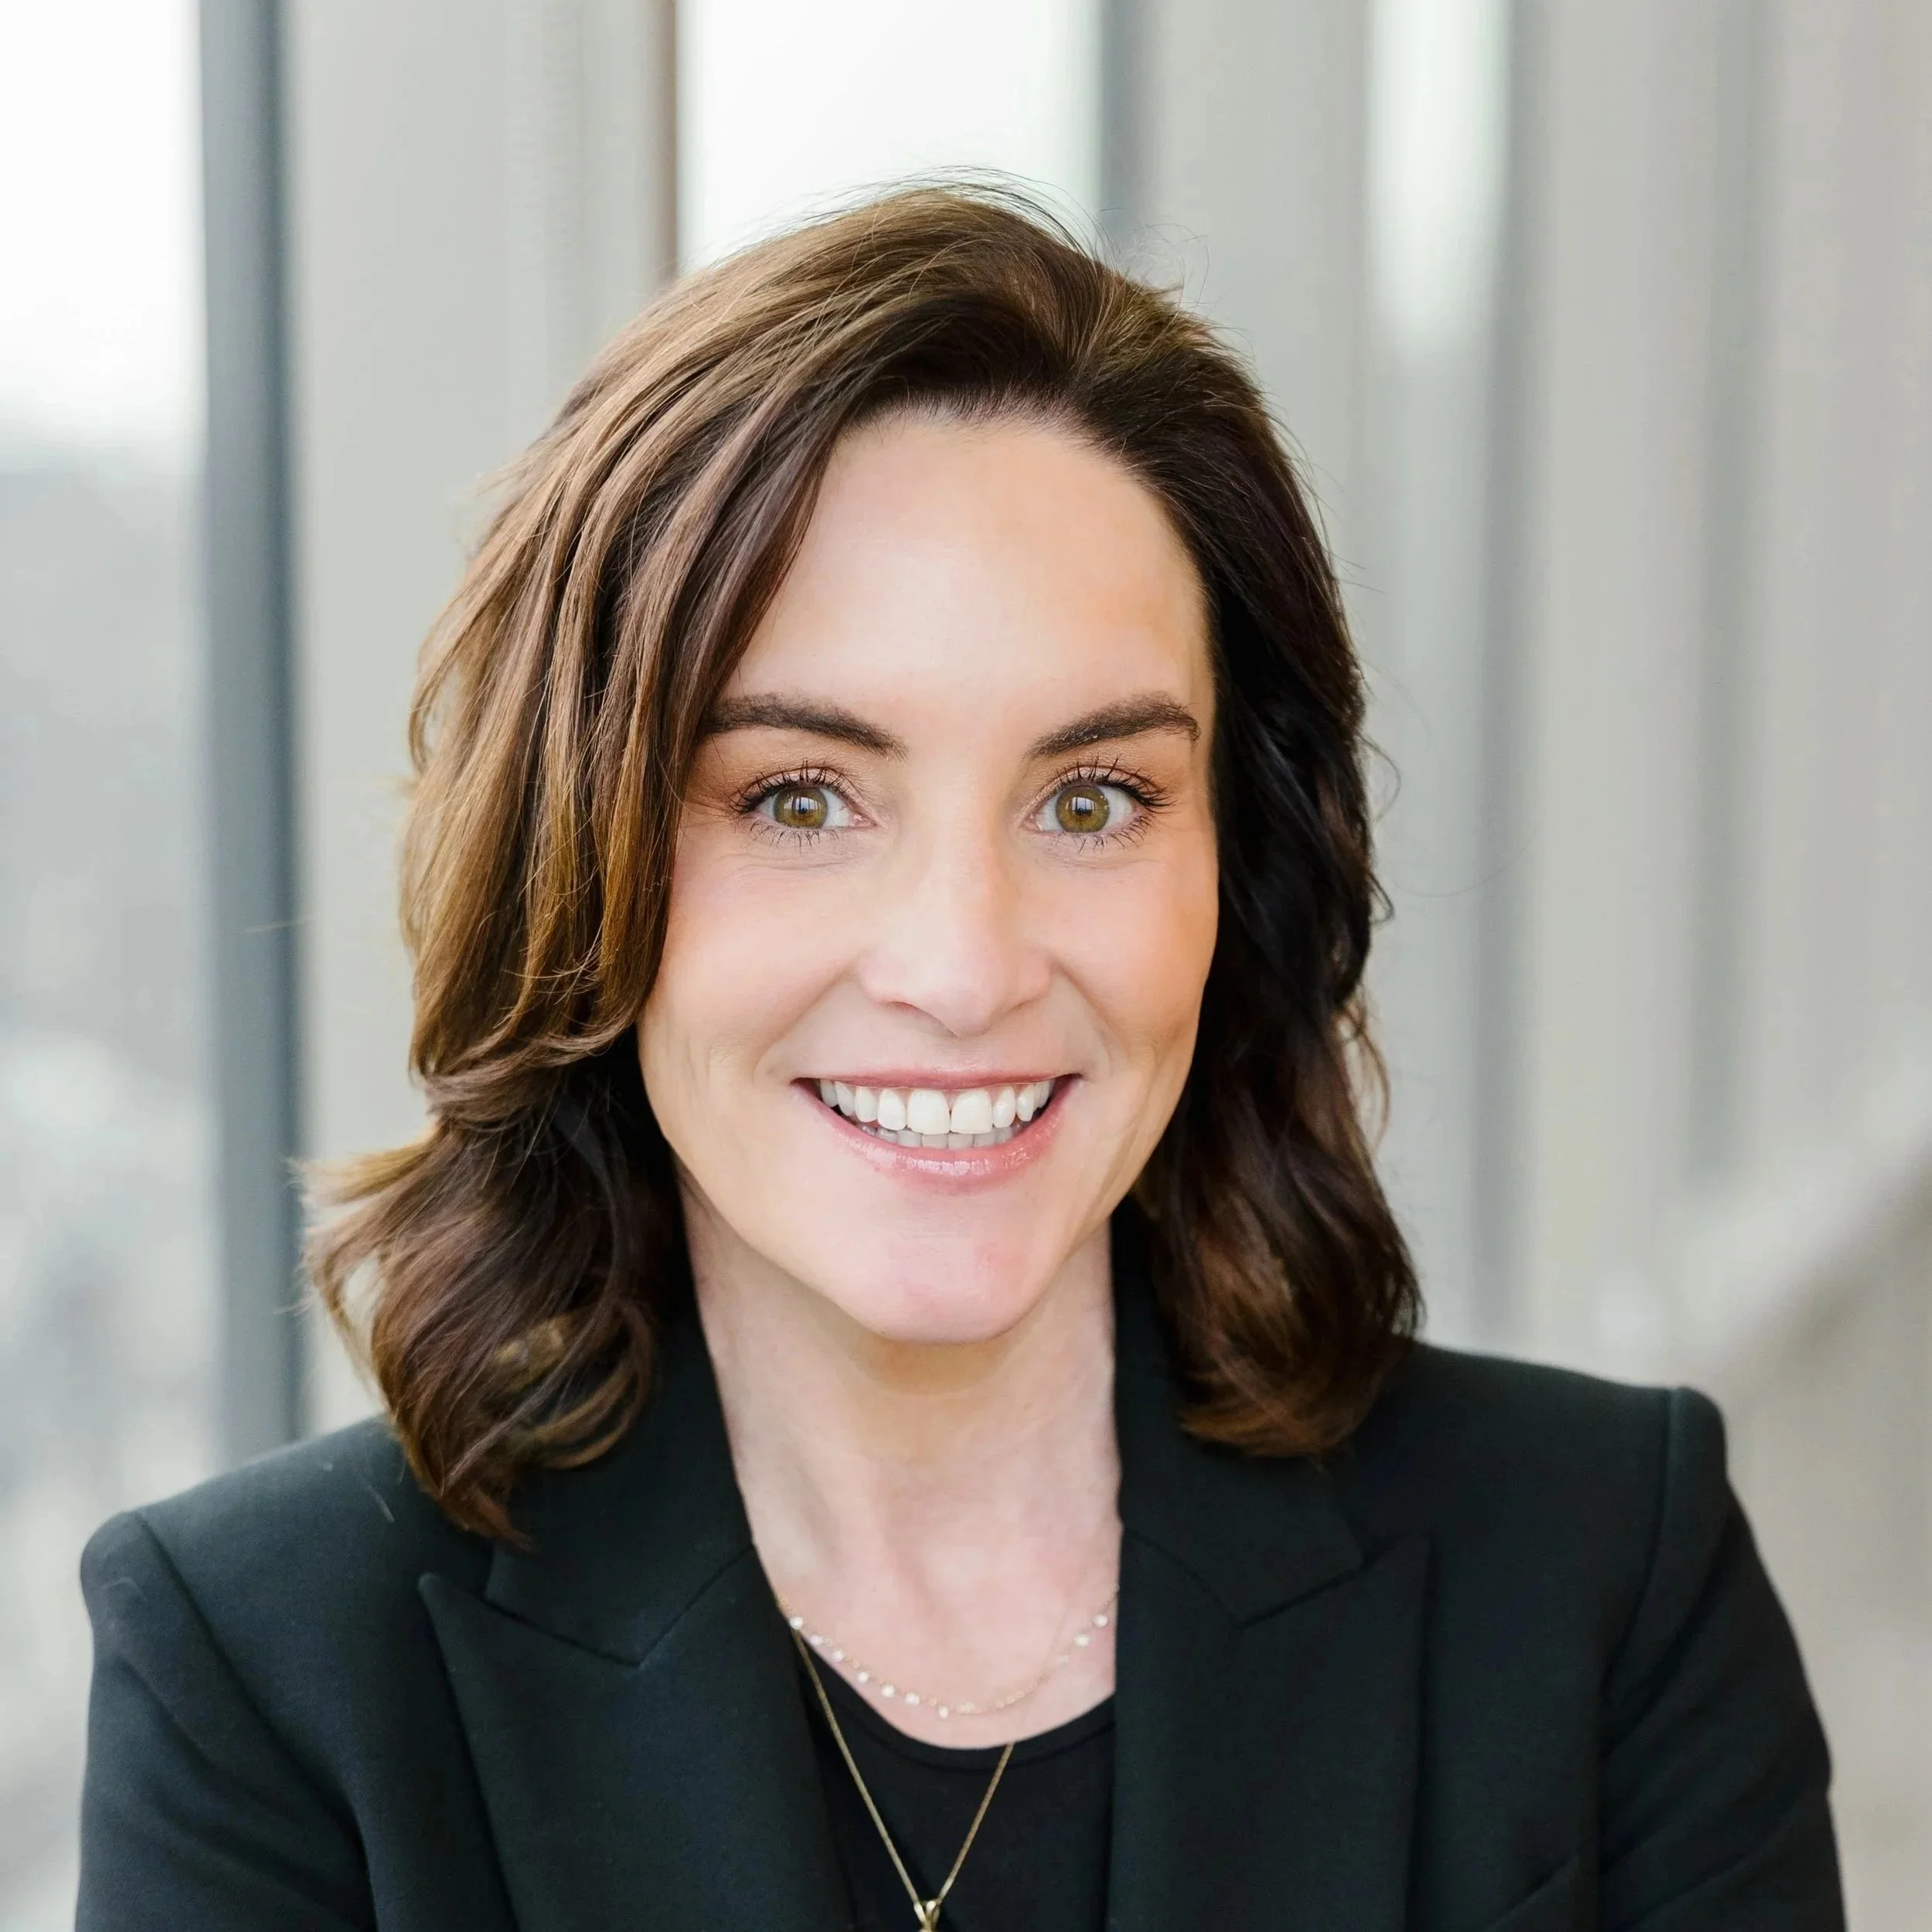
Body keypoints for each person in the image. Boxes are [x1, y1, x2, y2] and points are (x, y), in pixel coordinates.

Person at [76, 187, 1842, 1931]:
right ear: (584, 862)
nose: (961, 965)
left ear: (1242, 864)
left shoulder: (1604, 1569)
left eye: (1091, 799)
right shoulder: (268, 1669)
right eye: (798, 797)